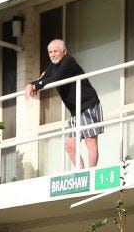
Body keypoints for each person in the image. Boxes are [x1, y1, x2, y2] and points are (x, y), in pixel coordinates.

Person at [24, 39, 102, 168]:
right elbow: (42, 79)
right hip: (75, 111)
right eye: (50, 52)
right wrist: (31, 84)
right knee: (70, 146)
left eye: (55, 51)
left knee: (90, 140)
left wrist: (36, 86)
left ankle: (91, 172)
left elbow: (57, 78)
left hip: (88, 104)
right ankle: (81, 173)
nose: (53, 54)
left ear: (64, 51)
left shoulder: (68, 61)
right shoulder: (52, 66)